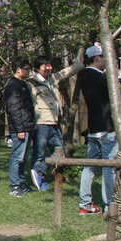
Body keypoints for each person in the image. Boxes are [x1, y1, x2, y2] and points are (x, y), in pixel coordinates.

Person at [77, 43, 121, 215]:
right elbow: (114, 96)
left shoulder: (85, 76)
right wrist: (119, 78)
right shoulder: (99, 77)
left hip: (93, 128)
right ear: (97, 58)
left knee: (89, 167)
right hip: (106, 128)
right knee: (108, 167)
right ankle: (109, 206)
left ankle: (85, 203)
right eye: (105, 57)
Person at [26, 54, 83, 191]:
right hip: (41, 123)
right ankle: (39, 177)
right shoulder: (31, 83)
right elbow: (28, 103)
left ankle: (39, 170)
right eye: (45, 65)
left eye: (50, 65)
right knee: (39, 152)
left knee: (59, 151)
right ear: (37, 68)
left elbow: (66, 72)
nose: (49, 68)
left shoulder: (52, 79)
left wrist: (81, 63)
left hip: (54, 122)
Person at [4, 55, 35, 197]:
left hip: (28, 125)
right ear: (18, 70)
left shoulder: (22, 84)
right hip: (20, 127)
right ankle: (14, 185)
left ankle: (22, 182)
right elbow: (14, 108)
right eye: (26, 69)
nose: (29, 72)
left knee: (24, 157)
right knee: (17, 156)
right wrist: (20, 129)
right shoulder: (13, 85)